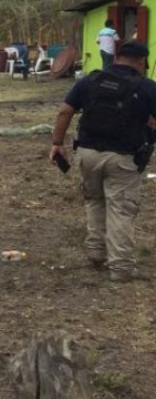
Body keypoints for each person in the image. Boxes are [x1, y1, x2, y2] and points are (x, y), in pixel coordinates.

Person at [50, 40, 156, 282]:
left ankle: (96, 253)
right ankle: (121, 268)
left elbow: (65, 111)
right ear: (141, 62)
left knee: (95, 201)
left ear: (117, 56)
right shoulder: (148, 87)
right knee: (121, 209)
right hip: (123, 158)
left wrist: (57, 143)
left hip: (86, 153)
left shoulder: (90, 80)